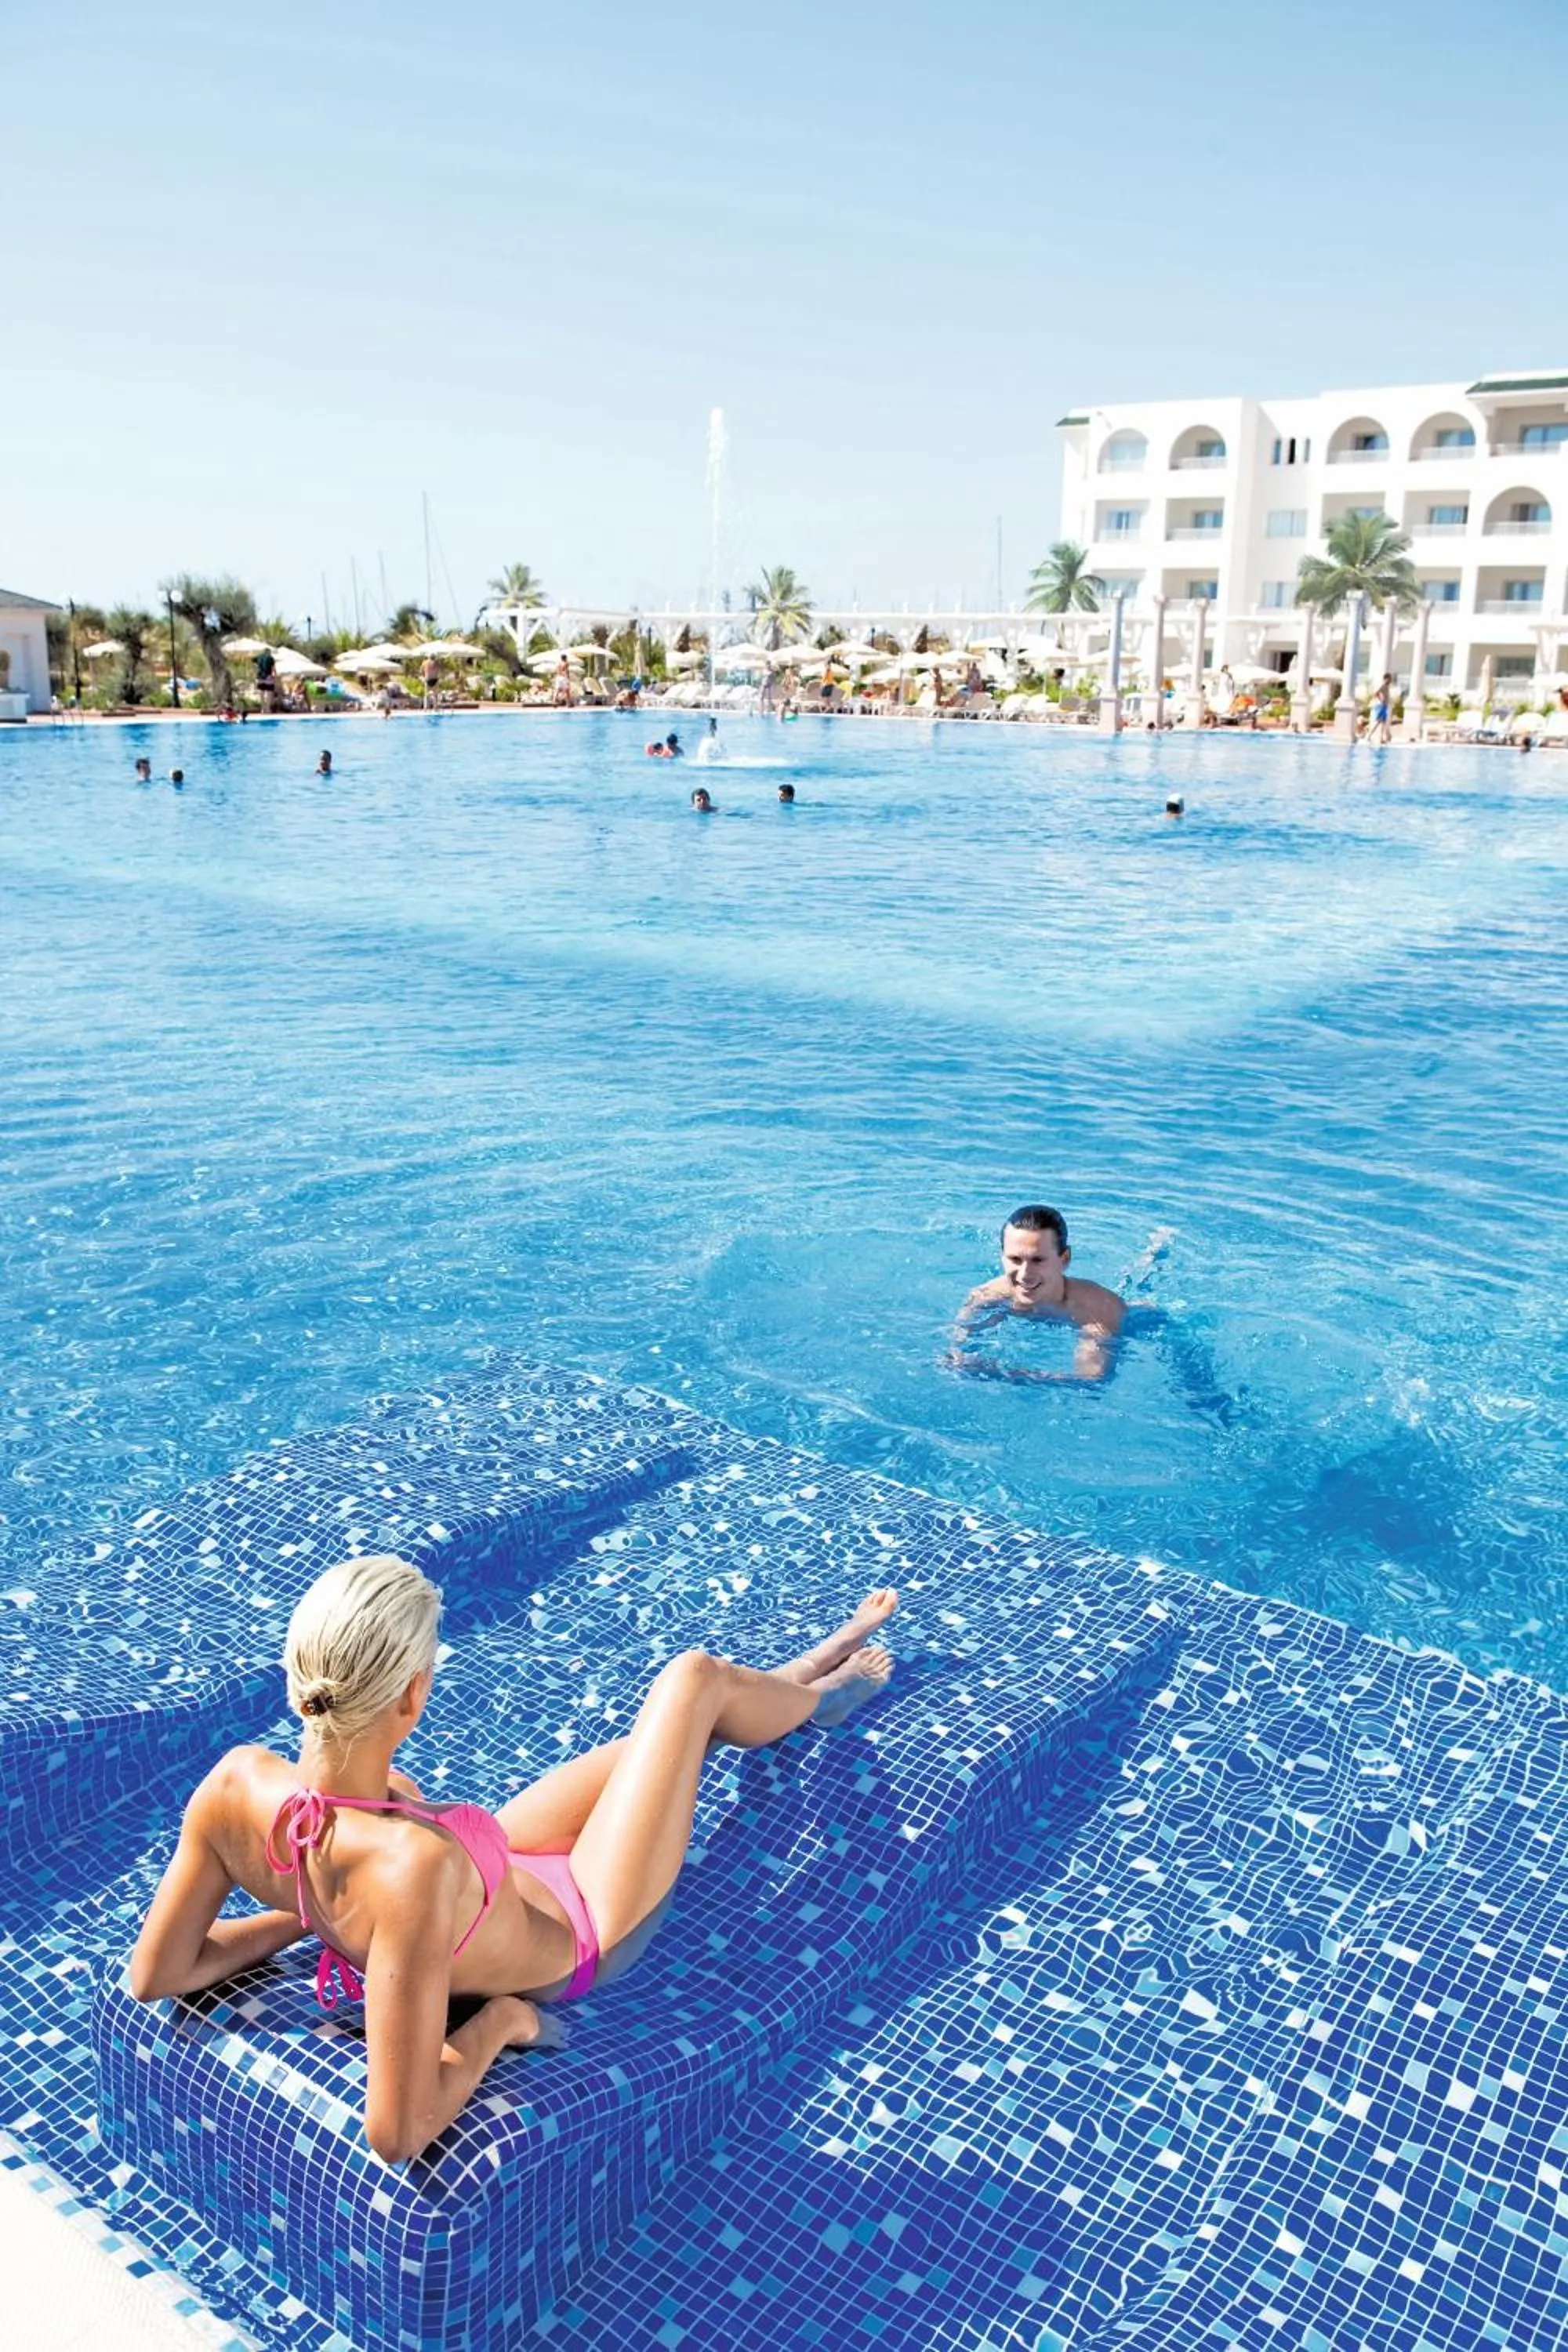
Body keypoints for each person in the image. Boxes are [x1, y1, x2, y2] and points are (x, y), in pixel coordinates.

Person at [129, 1555, 895, 2161]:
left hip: (505, 1871)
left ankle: (790, 1683)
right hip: (584, 1922)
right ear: (411, 1698)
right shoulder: (410, 1871)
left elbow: (157, 1973)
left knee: (667, 1743)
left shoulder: (233, 1788)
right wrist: (501, 2023)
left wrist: (304, 1916)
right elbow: (396, 2134)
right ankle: (814, 1698)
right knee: (689, 1683)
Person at [949, 1203, 1126, 1385]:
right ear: (1003, 1257)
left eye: (1038, 1260)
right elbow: (955, 1358)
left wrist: (1000, 1374)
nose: (1025, 1275)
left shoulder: (1097, 1309)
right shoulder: (986, 1298)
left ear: (1064, 1259)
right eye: (1015, 1259)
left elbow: (1091, 1381)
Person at [1370, 674, 1394, 746]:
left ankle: (1381, 739)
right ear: (1386, 679)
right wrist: (1381, 699)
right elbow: (1376, 693)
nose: (1390, 681)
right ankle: (1369, 736)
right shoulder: (1383, 685)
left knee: (1383, 723)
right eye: (1389, 679)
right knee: (1378, 722)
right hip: (1382, 706)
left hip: (1385, 706)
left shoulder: (1387, 686)